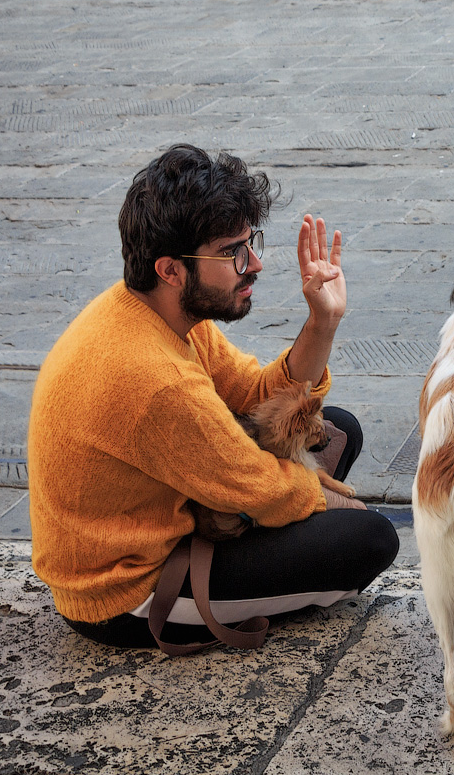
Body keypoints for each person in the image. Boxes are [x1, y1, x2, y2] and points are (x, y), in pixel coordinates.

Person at [28, 144, 399, 649]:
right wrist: (338, 504)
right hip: (128, 591)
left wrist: (322, 322)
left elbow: (257, 397)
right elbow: (259, 485)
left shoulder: (157, 310)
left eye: (251, 243)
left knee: (337, 428)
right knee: (372, 539)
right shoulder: (157, 380)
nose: (256, 264)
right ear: (171, 269)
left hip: (181, 514)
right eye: (233, 252)